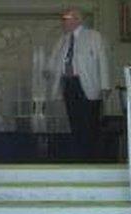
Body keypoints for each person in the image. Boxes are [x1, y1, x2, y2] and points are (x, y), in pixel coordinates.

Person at [47, 8, 111, 159]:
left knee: (90, 122)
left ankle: (92, 157)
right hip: (69, 84)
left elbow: (103, 60)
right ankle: (79, 156)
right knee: (74, 121)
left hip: (88, 84)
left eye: (66, 18)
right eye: (62, 18)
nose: (63, 21)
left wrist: (105, 85)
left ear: (77, 19)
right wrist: (49, 70)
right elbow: (55, 59)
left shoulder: (93, 36)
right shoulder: (63, 39)